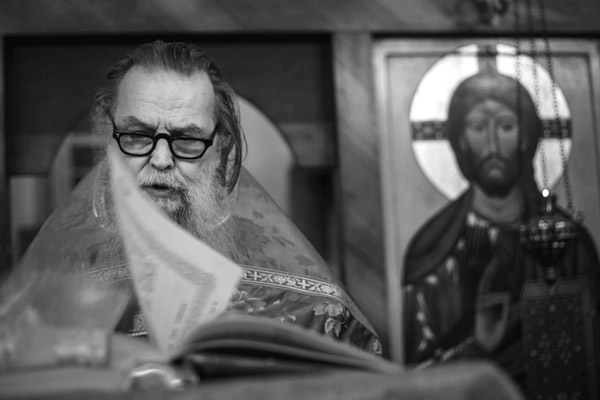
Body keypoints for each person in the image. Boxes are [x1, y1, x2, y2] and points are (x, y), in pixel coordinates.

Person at [12, 40, 381, 355]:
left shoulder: (307, 310)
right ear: (109, 138)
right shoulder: (45, 306)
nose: (160, 159)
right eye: (137, 135)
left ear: (219, 148)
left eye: (187, 139)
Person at [402, 68, 600, 388]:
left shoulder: (565, 240)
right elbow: (414, 380)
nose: (493, 145)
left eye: (506, 126)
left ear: (525, 137)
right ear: (460, 140)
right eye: (478, 127)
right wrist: (478, 346)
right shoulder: (431, 250)